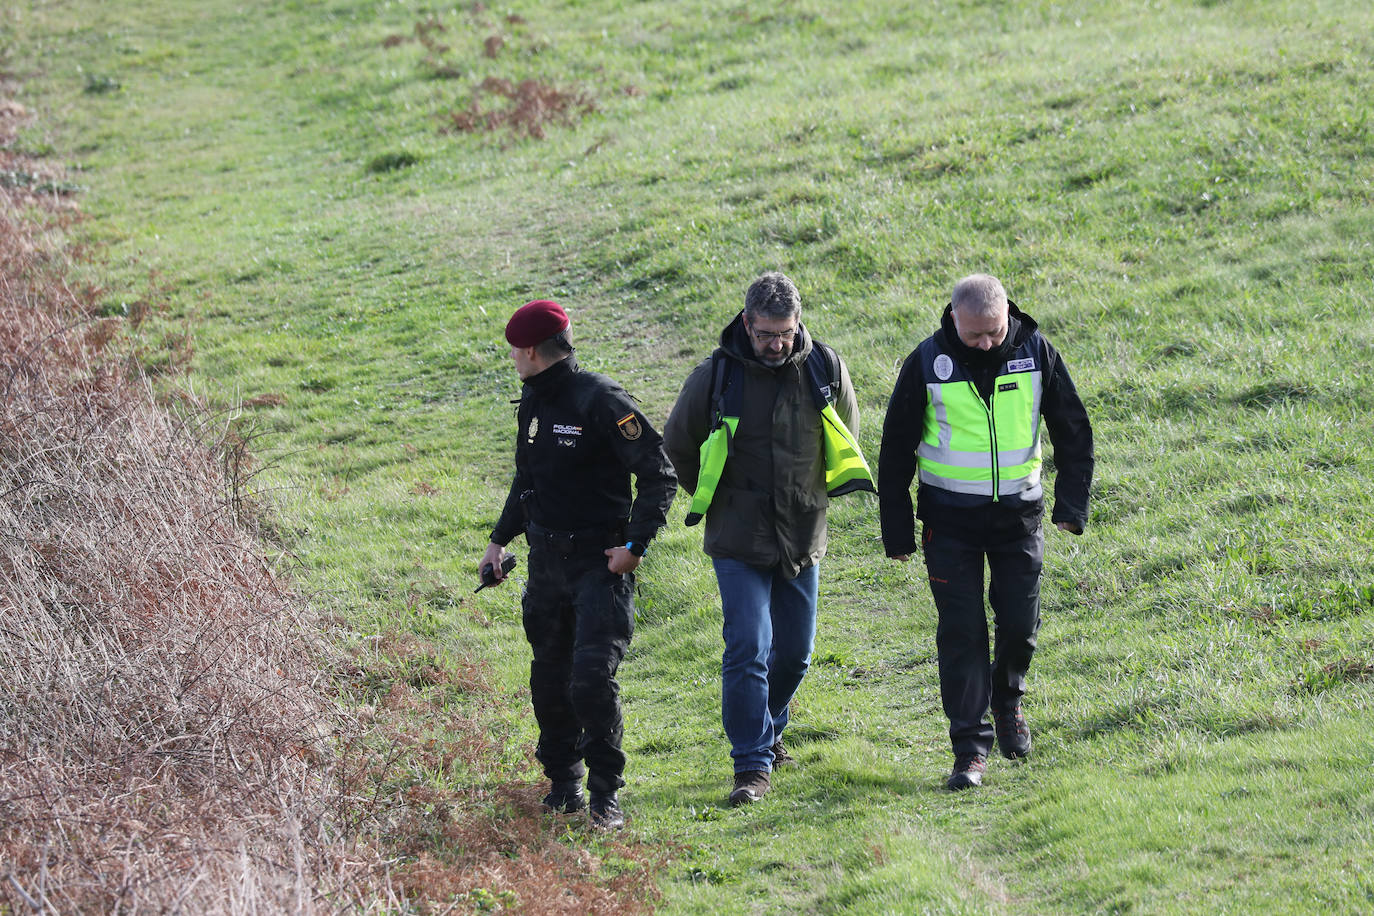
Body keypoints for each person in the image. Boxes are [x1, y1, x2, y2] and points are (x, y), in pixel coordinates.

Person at [664, 272, 874, 806]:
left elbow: (845, 431)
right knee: (748, 650)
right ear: (746, 323)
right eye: (765, 334)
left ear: (797, 323)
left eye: (784, 332)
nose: (776, 344)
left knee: (796, 656)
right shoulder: (715, 376)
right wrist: (713, 494)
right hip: (738, 539)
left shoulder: (825, 369)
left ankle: (769, 728)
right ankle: (752, 766)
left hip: (803, 534)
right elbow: (677, 443)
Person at [878, 274, 1093, 790]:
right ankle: (969, 750)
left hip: (1019, 519)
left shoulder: (1037, 352)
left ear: (1007, 318)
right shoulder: (927, 363)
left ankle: (1008, 701)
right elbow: (895, 449)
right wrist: (897, 532)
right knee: (963, 632)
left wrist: (1072, 505)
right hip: (948, 524)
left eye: (995, 332)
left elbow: (1073, 429)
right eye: (976, 334)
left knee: (1020, 623)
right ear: (954, 318)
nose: (987, 343)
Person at [479, 299, 676, 829]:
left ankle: (604, 793)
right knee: (549, 679)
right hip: (545, 564)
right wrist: (498, 542)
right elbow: (528, 480)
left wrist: (634, 547)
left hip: (598, 564)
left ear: (528, 352)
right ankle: (561, 783)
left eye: (513, 355)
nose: (513, 362)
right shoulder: (532, 402)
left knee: (590, 679)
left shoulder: (602, 400)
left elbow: (659, 475)